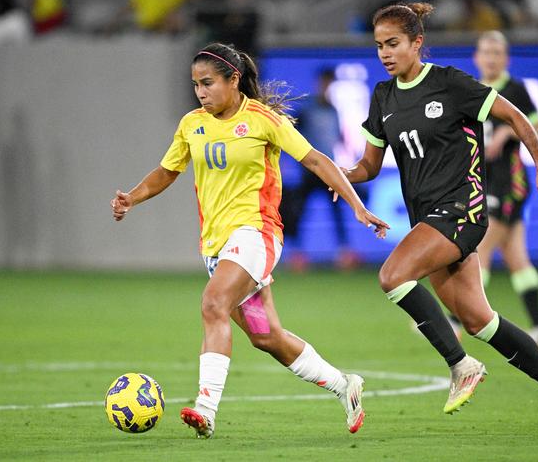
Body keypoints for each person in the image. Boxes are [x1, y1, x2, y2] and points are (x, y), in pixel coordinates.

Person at [111, 42, 388, 438]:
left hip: (257, 234)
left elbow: (315, 160)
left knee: (212, 303)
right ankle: (346, 386)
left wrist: (356, 206)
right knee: (266, 338)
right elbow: (167, 171)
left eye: (208, 83)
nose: (201, 92)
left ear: (233, 80)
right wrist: (132, 197)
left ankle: (205, 408)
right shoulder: (192, 124)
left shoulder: (263, 119)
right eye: (195, 85)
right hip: (216, 245)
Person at [341, 2, 538, 434]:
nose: (384, 53)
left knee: (392, 275)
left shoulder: (448, 83)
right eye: (379, 45)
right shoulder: (383, 95)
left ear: (417, 43)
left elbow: (514, 116)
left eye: (394, 43)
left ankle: (460, 366)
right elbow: (368, 164)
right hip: (429, 216)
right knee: (480, 320)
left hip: (463, 209)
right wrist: (342, 175)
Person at [446, 30, 538, 349]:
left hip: (510, 181)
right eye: (486, 52)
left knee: (479, 251)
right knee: (517, 258)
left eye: (497, 53)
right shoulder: (474, 90)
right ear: (476, 57)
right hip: (483, 179)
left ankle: (457, 320)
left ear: (505, 58)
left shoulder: (515, 90)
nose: (491, 58)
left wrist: (508, 133)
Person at [280, 67, 362, 271]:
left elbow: (339, 137)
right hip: (309, 170)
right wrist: (285, 160)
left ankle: (344, 253)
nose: (327, 87)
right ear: (319, 84)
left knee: (337, 212)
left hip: (328, 170)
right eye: (325, 83)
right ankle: (297, 254)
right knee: (300, 211)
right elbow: (291, 136)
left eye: (330, 83)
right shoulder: (307, 110)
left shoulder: (333, 110)